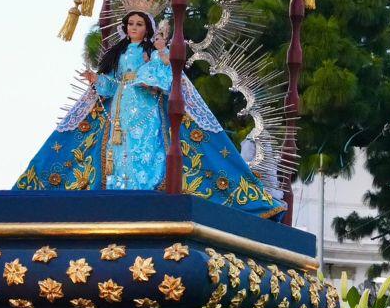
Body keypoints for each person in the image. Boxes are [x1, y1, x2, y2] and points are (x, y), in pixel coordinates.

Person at [15, 11, 285, 220]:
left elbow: (167, 74)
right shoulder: (119, 54)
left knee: (145, 146)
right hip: (120, 107)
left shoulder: (152, 53)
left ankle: (144, 189)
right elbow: (112, 84)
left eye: (139, 24)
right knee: (116, 148)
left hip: (145, 105)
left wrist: (152, 71)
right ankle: (117, 191)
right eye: (130, 24)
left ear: (147, 29)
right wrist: (97, 80)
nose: (133, 28)